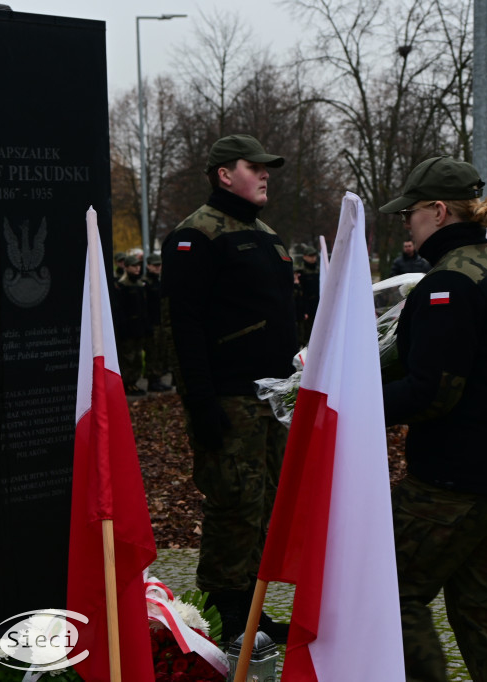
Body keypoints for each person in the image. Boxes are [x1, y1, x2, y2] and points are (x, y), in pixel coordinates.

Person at [380, 156, 487, 682]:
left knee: (388, 594)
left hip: (458, 482)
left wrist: (354, 403)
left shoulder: (448, 285)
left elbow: (433, 393)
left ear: (436, 210)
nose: (406, 221)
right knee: (482, 608)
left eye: (409, 211)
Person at [159, 133, 296, 642]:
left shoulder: (268, 234)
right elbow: (182, 327)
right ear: (223, 174)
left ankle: (251, 613)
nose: (265, 174)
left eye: (267, 167)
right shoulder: (196, 235)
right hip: (229, 400)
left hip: (272, 400)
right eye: (254, 166)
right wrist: (201, 404)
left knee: (264, 510)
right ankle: (220, 619)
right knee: (232, 508)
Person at [115, 253, 149, 396]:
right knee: (128, 357)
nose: (137, 268)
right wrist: (123, 328)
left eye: (138, 265)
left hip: (138, 328)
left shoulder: (139, 284)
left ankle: (133, 382)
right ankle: (127, 383)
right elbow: (120, 309)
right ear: (127, 267)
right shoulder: (121, 286)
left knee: (137, 358)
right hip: (128, 329)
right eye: (134, 266)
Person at [142, 252, 170, 392]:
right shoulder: (145, 283)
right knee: (152, 352)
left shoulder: (158, 281)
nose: (158, 267)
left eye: (159, 265)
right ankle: (153, 380)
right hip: (152, 322)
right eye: (155, 265)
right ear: (149, 266)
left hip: (160, 322)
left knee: (160, 351)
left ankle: (157, 378)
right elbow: (144, 305)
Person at [294, 245, 321, 345]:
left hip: (318, 305)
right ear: (305, 256)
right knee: (306, 334)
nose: (313, 258)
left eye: (314, 255)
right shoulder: (301, 272)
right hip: (306, 307)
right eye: (310, 256)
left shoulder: (319, 271)